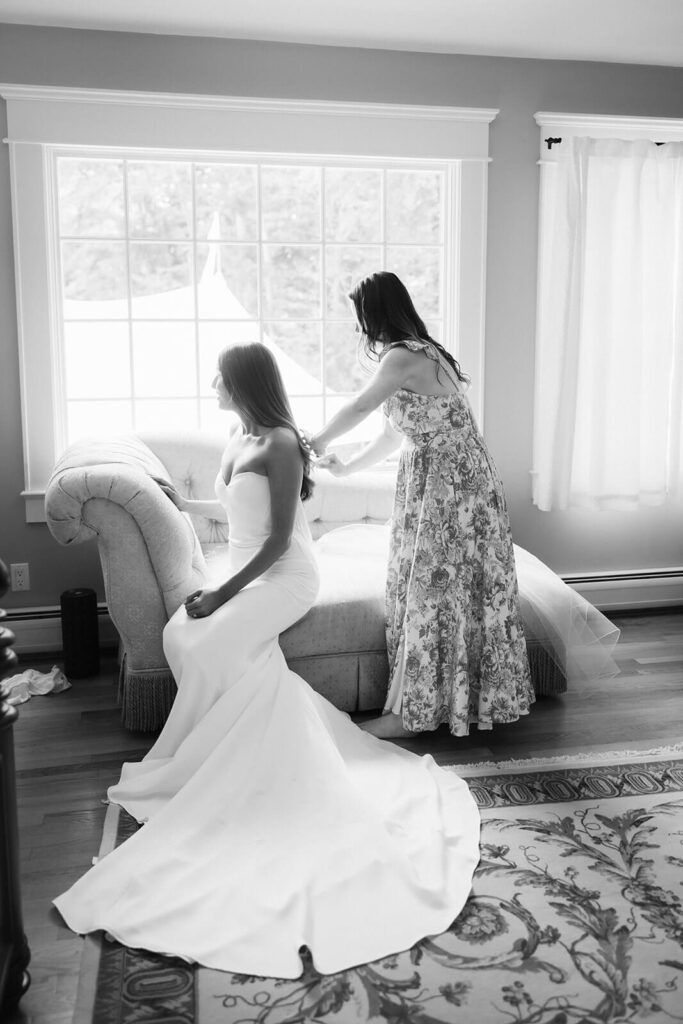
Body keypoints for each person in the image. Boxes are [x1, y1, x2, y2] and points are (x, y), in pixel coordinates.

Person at [53, 340, 480, 979]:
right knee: (184, 638)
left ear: (244, 383)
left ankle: (234, 760)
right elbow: (229, 512)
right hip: (248, 573)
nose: (213, 386)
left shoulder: (281, 443)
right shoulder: (237, 435)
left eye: (221, 379)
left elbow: (280, 537)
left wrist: (222, 592)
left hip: (283, 576)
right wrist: (172, 503)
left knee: (209, 639)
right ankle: (214, 748)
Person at [310, 271, 535, 740]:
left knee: (433, 591)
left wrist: (316, 439)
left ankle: (412, 714)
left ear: (376, 314)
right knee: (452, 590)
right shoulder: (426, 352)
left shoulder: (402, 355)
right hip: (457, 477)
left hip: (450, 483)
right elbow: (395, 432)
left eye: (362, 317)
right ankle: (445, 704)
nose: (360, 328)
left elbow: (359, 408)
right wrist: (347, 467)